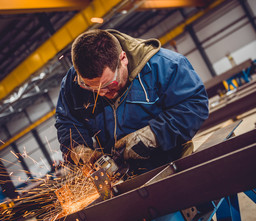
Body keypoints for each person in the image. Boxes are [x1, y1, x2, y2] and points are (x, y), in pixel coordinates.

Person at [55, 29, 208, 173]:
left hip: (174, 165)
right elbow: (67, 122)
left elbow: (194, 107)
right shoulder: (72, 84)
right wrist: (80, 150)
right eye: (91, 88)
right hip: (119, 177)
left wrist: (151, 136)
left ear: (123, 59)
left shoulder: (165, 66)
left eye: (109, 85)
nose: (101, 94)